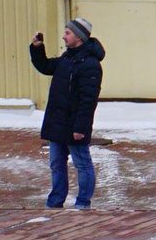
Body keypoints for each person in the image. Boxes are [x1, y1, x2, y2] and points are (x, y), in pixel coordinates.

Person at [29, 19, 103, 210]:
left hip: (74, 125)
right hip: (57, 123)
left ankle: (83, 203)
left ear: (79, 37)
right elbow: (46, 66)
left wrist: (80, 128)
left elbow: (88, 100)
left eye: (67, 33)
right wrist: (37, 48)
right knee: (56, 164)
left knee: (82, 164)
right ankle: (55, 202)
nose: (64, 36)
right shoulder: (66, 58)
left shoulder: (90, 64)